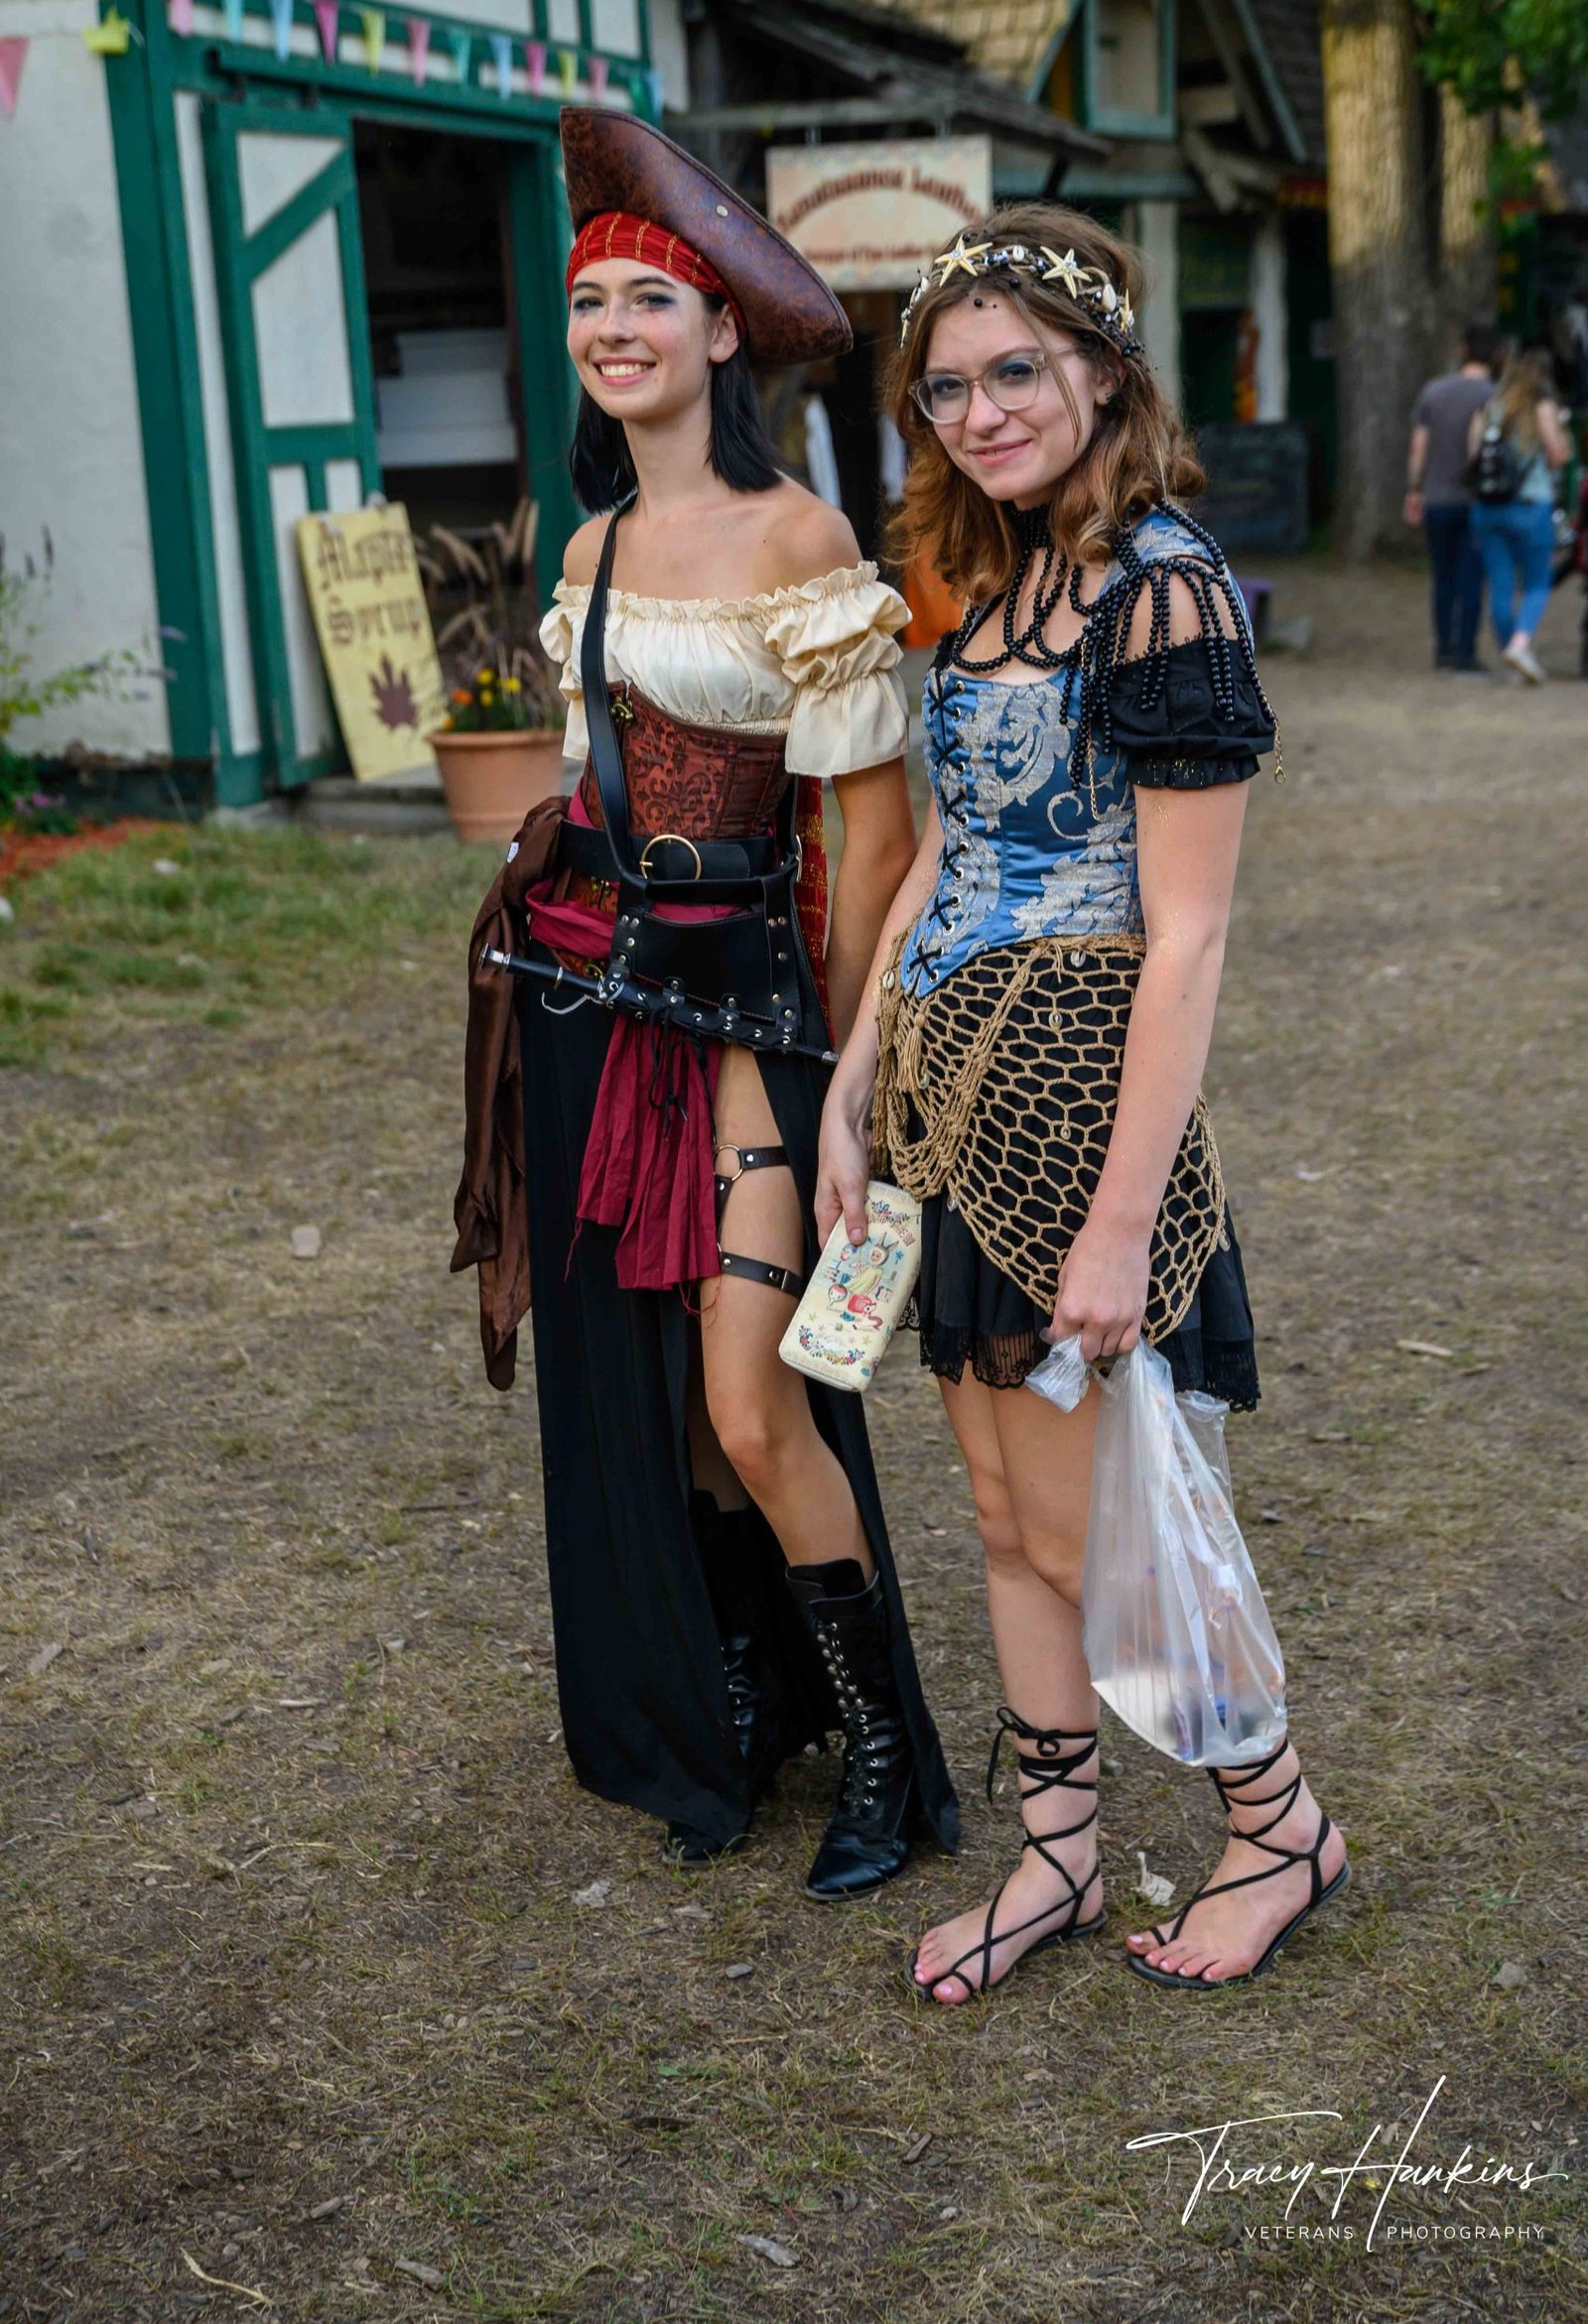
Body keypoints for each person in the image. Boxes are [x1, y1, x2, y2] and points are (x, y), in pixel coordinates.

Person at [816, 204, 1349, 1999]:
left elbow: (1187, 936)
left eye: (1016, 373)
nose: (979, 412)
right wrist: (852, 1082)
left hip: (1073, 1112)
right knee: (999, 1513)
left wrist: (1121, 1227)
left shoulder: (1163, 591)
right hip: (947, 1095)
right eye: (946, 387)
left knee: (1095, 1518)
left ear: (1106, 374)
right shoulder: (1004, 575)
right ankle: (1058, 1852)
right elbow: (944, 851)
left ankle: (1278, 1829)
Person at [454, 108, 958, 1893]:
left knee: (754, 1402)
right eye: (589, 302)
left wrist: (841, 1073)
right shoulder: (588, 551)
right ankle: (743, 1697)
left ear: (721, 330)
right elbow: (588, 785)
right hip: (601, 1004)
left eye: (649, 301)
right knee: (664, 1394)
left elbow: (875, 839)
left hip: (761, 1015)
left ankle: (884, 1745)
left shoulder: (799, 534)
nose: (614, 329)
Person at [1467, 345, 1573, 686]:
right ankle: (1520, 643)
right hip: (1530, 505)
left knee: (1500, 586)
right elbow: (1557, 456)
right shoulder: (1542, 406)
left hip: (1488, 508)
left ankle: (1512, 662)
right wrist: (1563, 437)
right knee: (1537, 584)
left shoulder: (1488, 407)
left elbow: (1473, 457)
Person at [1404, 323, 1499, 673]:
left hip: (1437, 497)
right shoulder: (1494, 396)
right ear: (1497, 355)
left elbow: (1418, 448)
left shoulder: (1433, 392)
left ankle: (1443, 648)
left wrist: (1415, 489)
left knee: (1443, 577)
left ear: (1462, 349)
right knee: (1471, 577)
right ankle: (1465, 652)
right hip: (1477, 500)